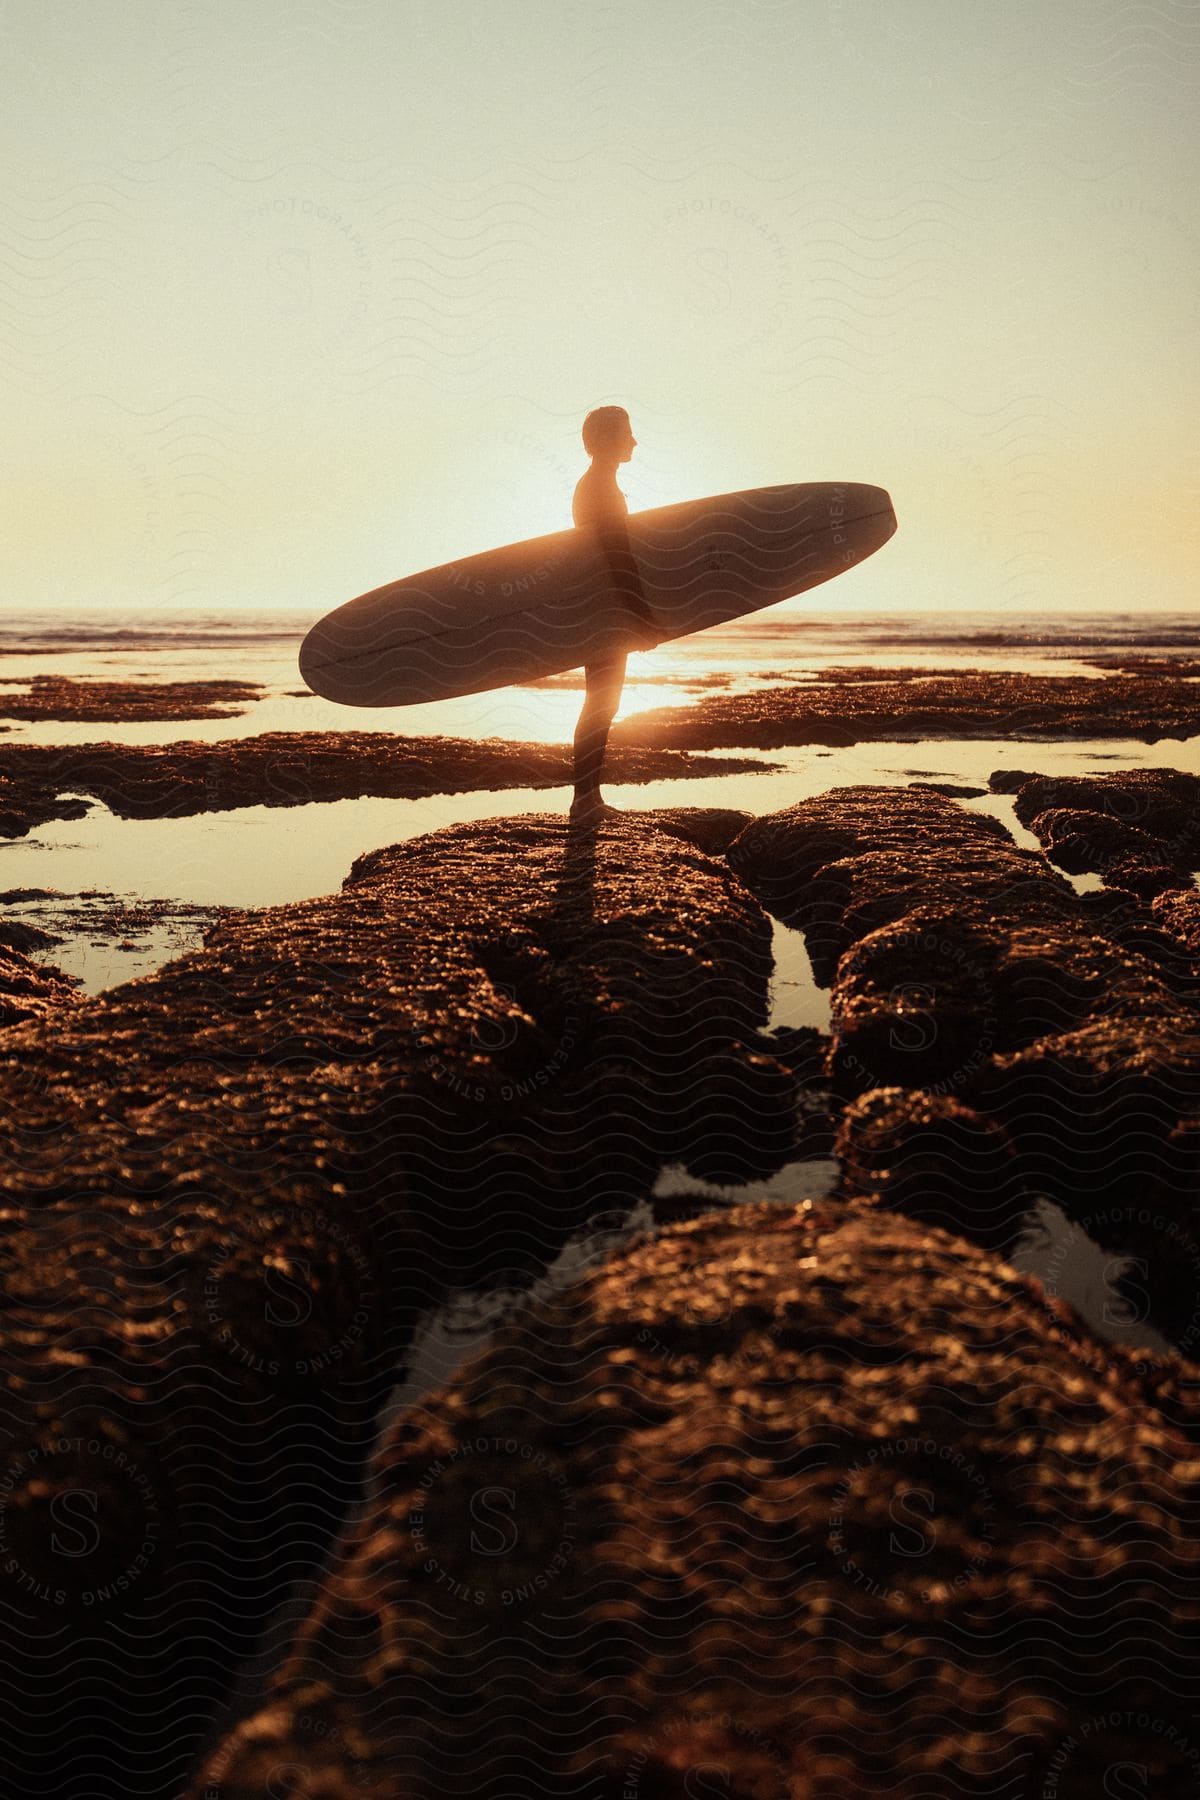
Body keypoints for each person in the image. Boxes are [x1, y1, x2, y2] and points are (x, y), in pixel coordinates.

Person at [569, 405, 658, 818]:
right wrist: (643, 616)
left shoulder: (596, 484)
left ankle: (589, 798)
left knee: (602, 702)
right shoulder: (600, 488)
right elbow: (618, 558)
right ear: (607, 441)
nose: (634, 441)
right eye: (627, 433)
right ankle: (585, 800)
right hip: (607, 610)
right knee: (601, 702)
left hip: (601, 607)